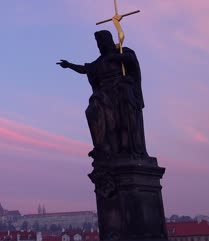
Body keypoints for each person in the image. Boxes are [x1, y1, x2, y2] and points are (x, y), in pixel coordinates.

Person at [57, 30, 148, 160]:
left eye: (100, 43)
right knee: (92, 110)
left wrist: (117, 57)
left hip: (121, 92)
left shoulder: (122, 52)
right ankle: (102, 146)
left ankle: (126, 147)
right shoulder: (100, 61)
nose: (99, 46)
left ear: (107, 41)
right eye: (97, 44)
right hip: (104, 95)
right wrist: (69, 65)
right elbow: (85, 69)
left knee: (125, 111)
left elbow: (131, 60)